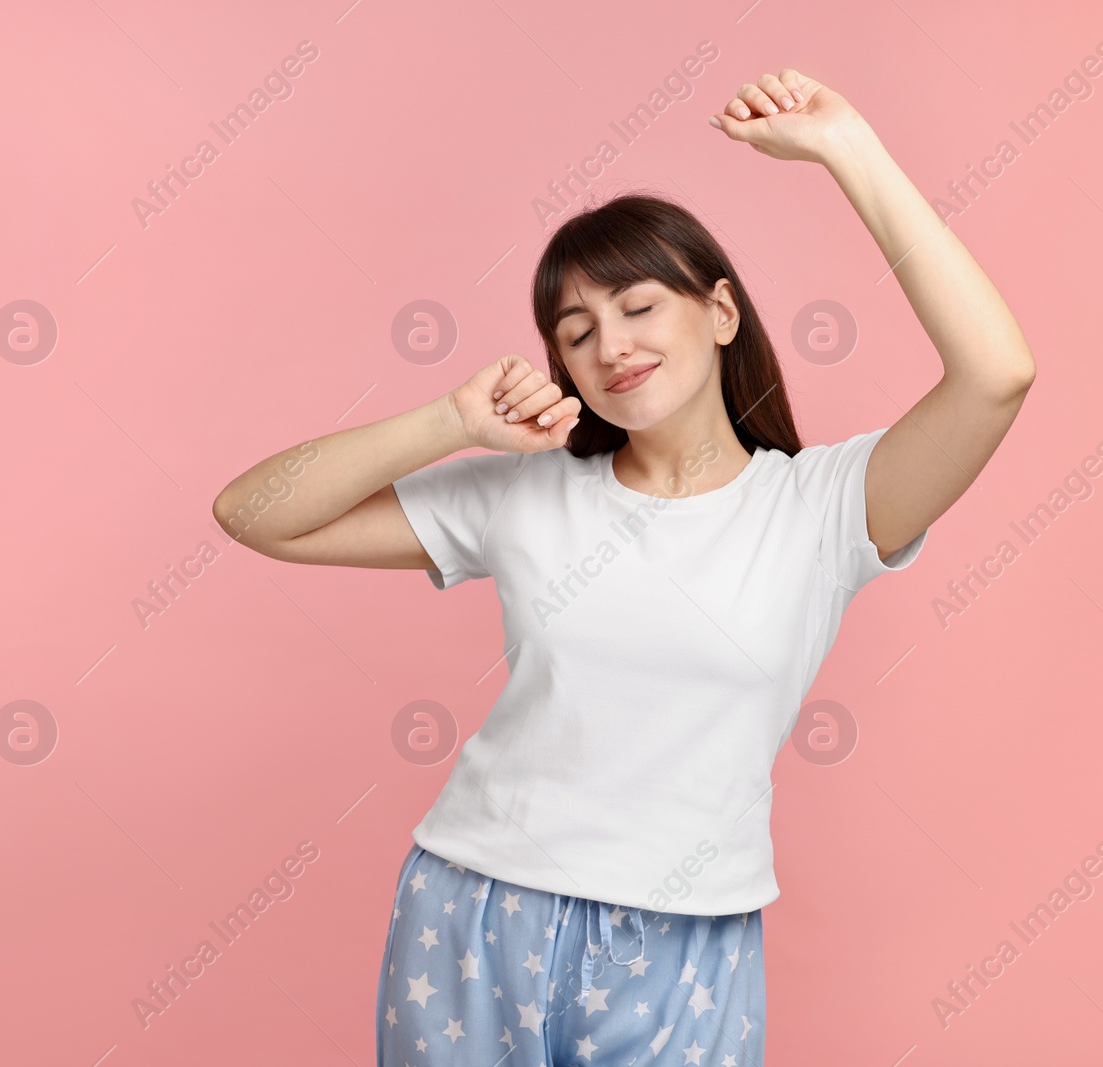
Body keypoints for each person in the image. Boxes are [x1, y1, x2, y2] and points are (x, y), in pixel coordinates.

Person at [213, 67, 1034, 1067]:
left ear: (720, 312)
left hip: (687, 935)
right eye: (577, 331)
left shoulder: (821, 507)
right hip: (473, 910)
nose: (612, 345)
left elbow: (996, 374)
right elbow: (253, 512)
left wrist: (845, 146)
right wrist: (449, 422)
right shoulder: (528, 490)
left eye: (640, 306)